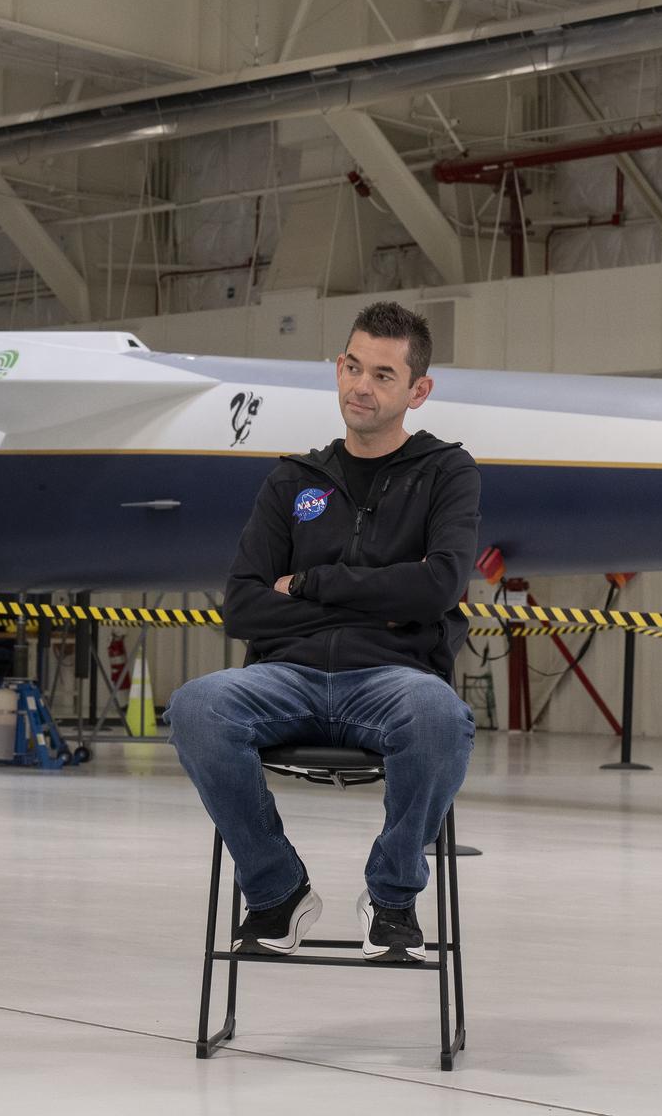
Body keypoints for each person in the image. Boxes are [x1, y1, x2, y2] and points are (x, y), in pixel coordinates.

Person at [170, 301, 479, 963]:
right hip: (288, 680)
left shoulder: (446, 474)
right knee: (197, 705)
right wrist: (383, 596)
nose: (360, 386)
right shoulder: (292, 482)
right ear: (338, 367)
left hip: (393, 681)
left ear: (417, 391)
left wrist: (314, 584)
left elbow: (440, 588)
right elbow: (243, 607)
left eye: (383, 375)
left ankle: (393, 899)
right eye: (352, 366)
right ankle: (277, 889)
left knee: (441, 717)